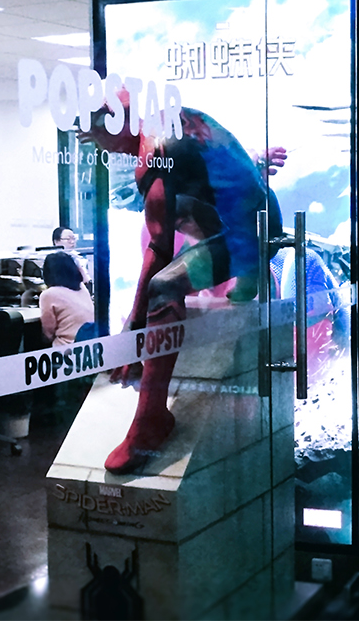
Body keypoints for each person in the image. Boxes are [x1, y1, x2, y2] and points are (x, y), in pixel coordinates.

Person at [80, 86, 284, 475]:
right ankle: (249, 277)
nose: (105, 149)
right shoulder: (175, 119)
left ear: (114, 123)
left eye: (100, 137)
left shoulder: (154, 151)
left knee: (164, 287)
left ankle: (151, 420)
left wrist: (133, 332)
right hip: (262, 220)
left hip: (248, 238)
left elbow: (158, 249)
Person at [39, 252, 95, 346]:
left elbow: (48, 332)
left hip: (67, 348)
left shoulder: (48, 294)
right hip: (90, 344)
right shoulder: (82, 288)